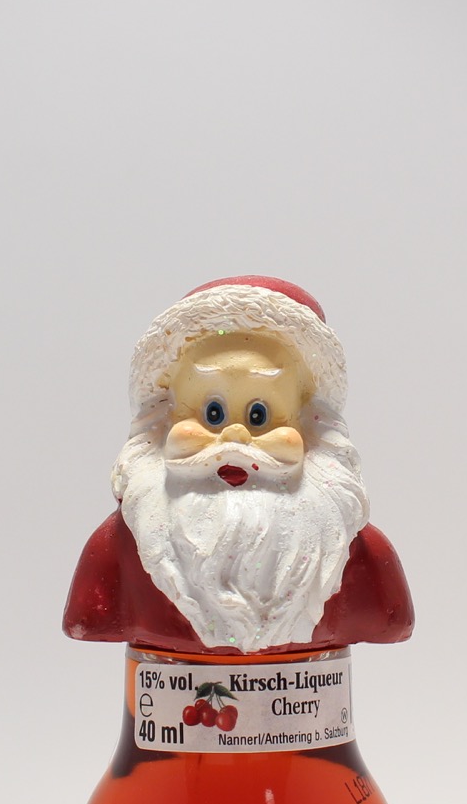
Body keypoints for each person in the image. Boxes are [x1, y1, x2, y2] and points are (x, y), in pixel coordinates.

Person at [63, 275, 413, 656]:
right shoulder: (119, 548)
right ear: (161, 422)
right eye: (211, 414)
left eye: (259, 415)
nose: (234, 438)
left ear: (313, 426)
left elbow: (392, 618)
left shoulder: (360, 555)